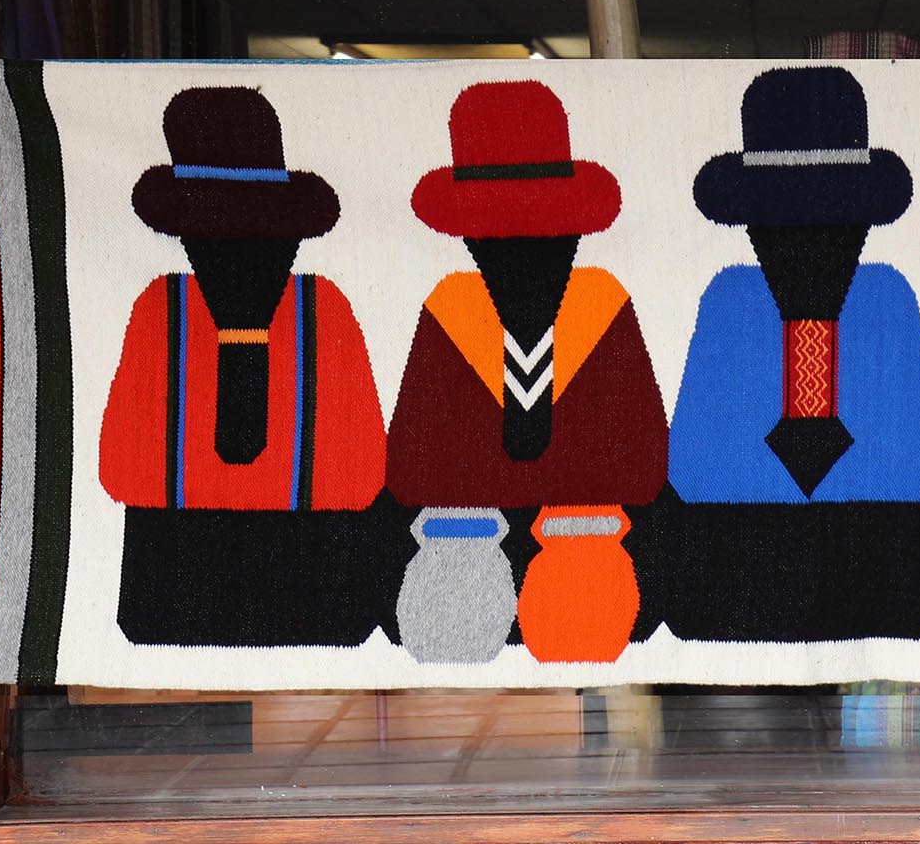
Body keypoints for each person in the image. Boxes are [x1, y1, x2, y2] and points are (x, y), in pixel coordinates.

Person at [100, 86, 398, 646]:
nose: (238, 248)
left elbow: (366, 469)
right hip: (205, 588)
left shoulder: (317, 309)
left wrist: (201, 477)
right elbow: (119, 467)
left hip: (272, 587)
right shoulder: (165, 309)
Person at [385, 80, 667, 508]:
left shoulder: (603, 302)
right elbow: (413, 469)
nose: (522, 240)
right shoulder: (450, 305)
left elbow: (642, 466)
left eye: (542, 225)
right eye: (496, 226)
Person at [671, 66, 920, 502]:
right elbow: (691, 469)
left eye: (834, 220)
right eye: (785, 220)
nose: (809, 236)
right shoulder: (729, 302)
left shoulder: (887, 299)